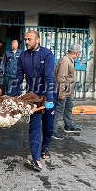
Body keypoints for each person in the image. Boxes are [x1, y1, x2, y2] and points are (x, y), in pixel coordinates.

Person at [9, 30, 55, 171]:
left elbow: (49, 77)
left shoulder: (47, 54)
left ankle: (45, 147)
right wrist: (13, 98)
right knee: (34, 127)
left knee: (48, 127)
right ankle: (36, 158)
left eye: (29, 39)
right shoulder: (23, 55)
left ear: (37, 40)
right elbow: (18, 77)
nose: (26, 42)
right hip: (33, 97)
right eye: (25, 39)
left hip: (47, 94)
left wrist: (50, 98)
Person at [52, 44, 82, 140]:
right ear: (77, 53)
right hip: (63, 91)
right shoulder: (65, 60)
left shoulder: (70, 60)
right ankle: (52, 130)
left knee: (68, 108)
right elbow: (61, 77)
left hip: (68, 91)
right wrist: (61, 93)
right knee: (59, 111)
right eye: (79, 53)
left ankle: (68, 125)